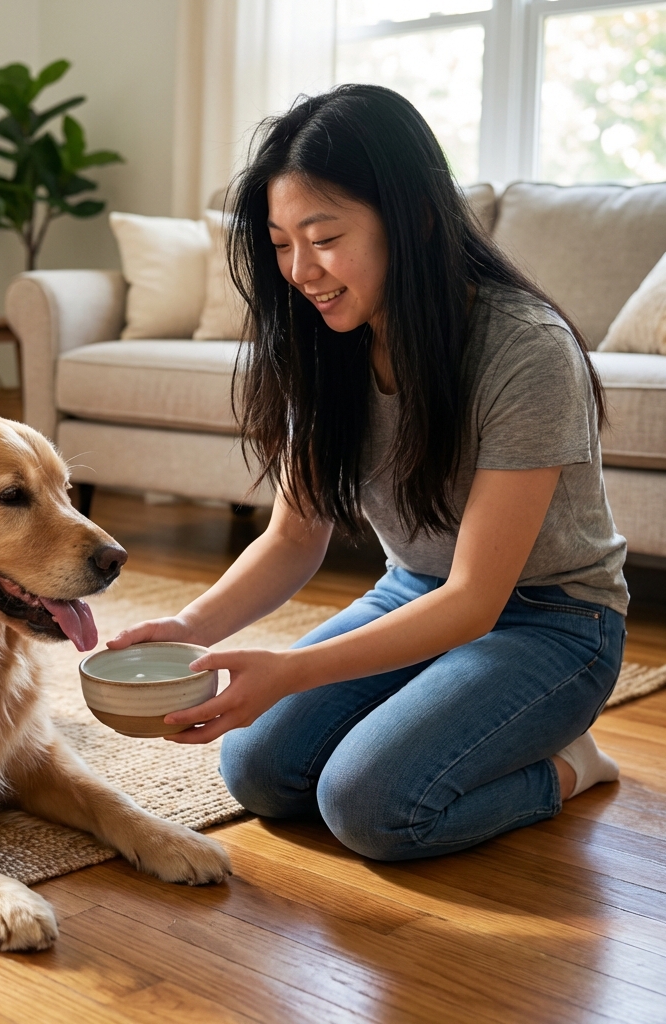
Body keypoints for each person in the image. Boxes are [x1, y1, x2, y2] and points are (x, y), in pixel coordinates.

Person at [108, 85, 627, 862]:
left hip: (556, 621)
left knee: (370, 804)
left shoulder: (524, 348)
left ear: (412, 218)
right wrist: (191, 630)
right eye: (282, 243)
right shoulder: (325, 342)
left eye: (323, 237)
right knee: (257, 770)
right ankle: (451, 716)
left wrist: (290, 671)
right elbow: (291, 539)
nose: (300, 270)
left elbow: (476, 601)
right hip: (415, 591)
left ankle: (570, 763)